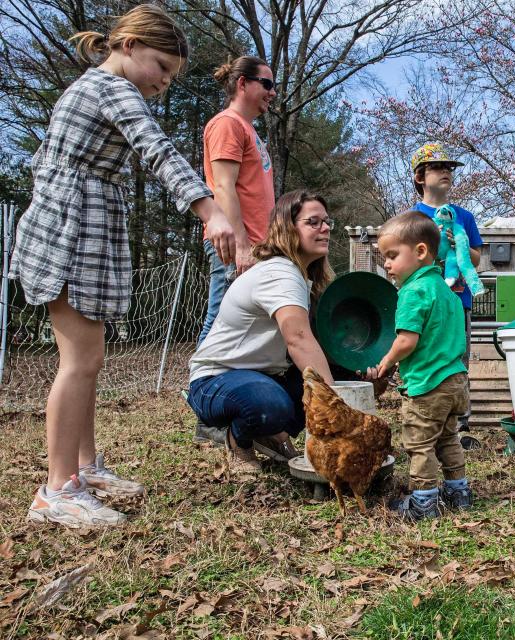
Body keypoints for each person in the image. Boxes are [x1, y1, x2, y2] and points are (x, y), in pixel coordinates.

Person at [11, 4, 238, 529]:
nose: (163, 83)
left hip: (85, 224)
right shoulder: (110, 88)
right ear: (129, 44)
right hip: (71, 230)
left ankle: (84, 468)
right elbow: (155, 149)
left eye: (171, 76)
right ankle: (57, 489)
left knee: (89, 356)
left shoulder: (98, 90)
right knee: (80, 360)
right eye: (161, 66)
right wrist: (209, 210)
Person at [187, 190, 337, 475]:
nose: (325, 228)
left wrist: (362, 372)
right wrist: (336, 400)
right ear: (288, 229)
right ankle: (239, 438)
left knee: (343, 376)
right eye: (313, 222)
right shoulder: (280, 273)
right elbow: (298, 340)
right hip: (215, 380)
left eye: (327, 221)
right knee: (271, 405)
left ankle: (269, 431)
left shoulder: (302, 277)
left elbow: (317, 344)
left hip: (263, 376)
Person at [364, 210, 473, 521]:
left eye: (392, 255)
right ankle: (458, 490)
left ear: (421, 252)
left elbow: (407, 341)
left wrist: (386, 361)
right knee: (448, 437)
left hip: (428, 385)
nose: (387, 264)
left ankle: (424, 500)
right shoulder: (447, 291)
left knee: (419, 442)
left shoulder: (413, 292)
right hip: (455, 381)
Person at [198, 55, 276, 345]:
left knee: (242, 325)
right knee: (221, 320)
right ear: (243, 83)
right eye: (266, 83)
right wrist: (242, 246)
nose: (273, 92)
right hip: (234, 244)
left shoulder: (247, 128)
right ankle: (198, 386)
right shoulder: (227, 124)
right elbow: (223, 186)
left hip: (255, 244)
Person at [410, 143, 483, 449]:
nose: (446, 173)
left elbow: (477, 258)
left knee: (457, 360)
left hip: (457, 301)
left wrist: (459, 245)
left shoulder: (463, 216)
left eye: (449, 169)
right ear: (419, 177)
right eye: (438, 168)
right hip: (426, 303)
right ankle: (425, 419)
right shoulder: (413, 217)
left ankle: (459, 426)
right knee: (426, 356)